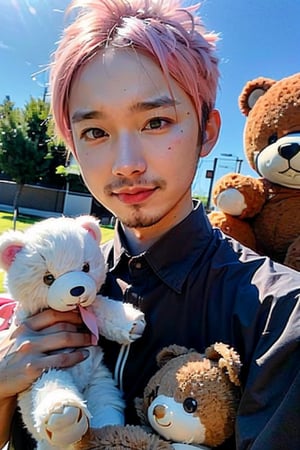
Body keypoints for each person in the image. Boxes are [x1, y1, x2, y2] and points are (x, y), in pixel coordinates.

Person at [0, 0, 299, 448]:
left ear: (208, 130)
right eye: (95, 132)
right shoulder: (55, 285)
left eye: (156, 122)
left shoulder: (277, 314)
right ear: (73, 146)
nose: (126, 165)